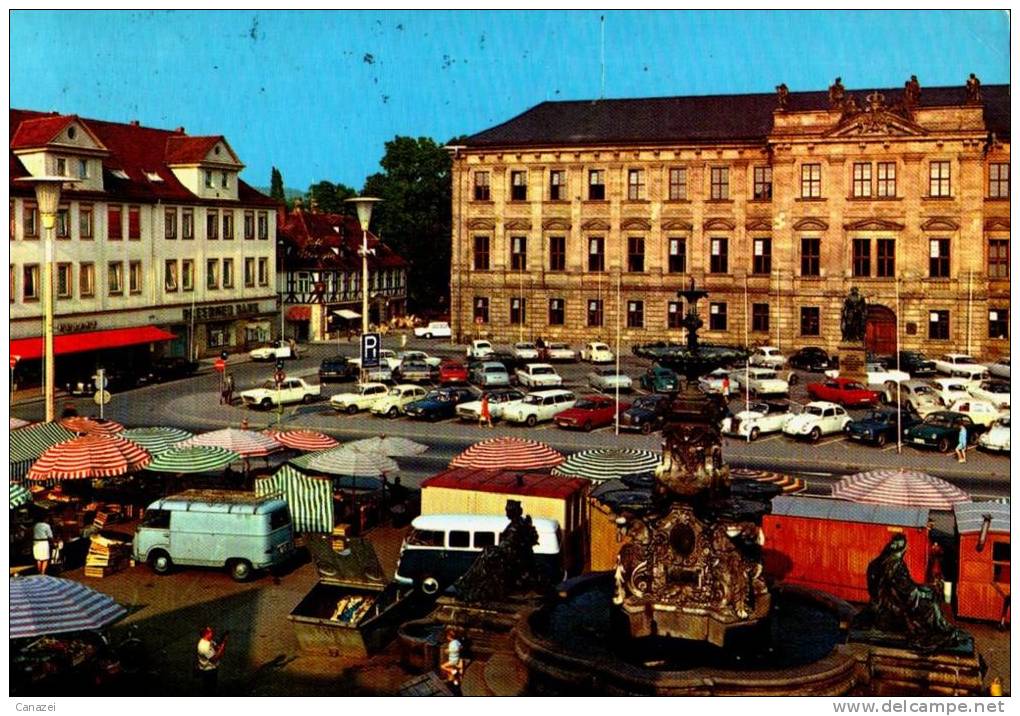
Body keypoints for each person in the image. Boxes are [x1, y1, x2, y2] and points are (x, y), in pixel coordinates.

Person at [196, 626, 228, 695]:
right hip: (208, 670)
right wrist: (224, 643)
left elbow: (217, 647)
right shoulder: (204, 646)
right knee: (209, 688)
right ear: (206, 634)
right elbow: (215, 658)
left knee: (212, 686)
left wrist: (220, 644)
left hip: (212, 668)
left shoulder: (209, 640)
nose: (213, 632)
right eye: (211, 631)